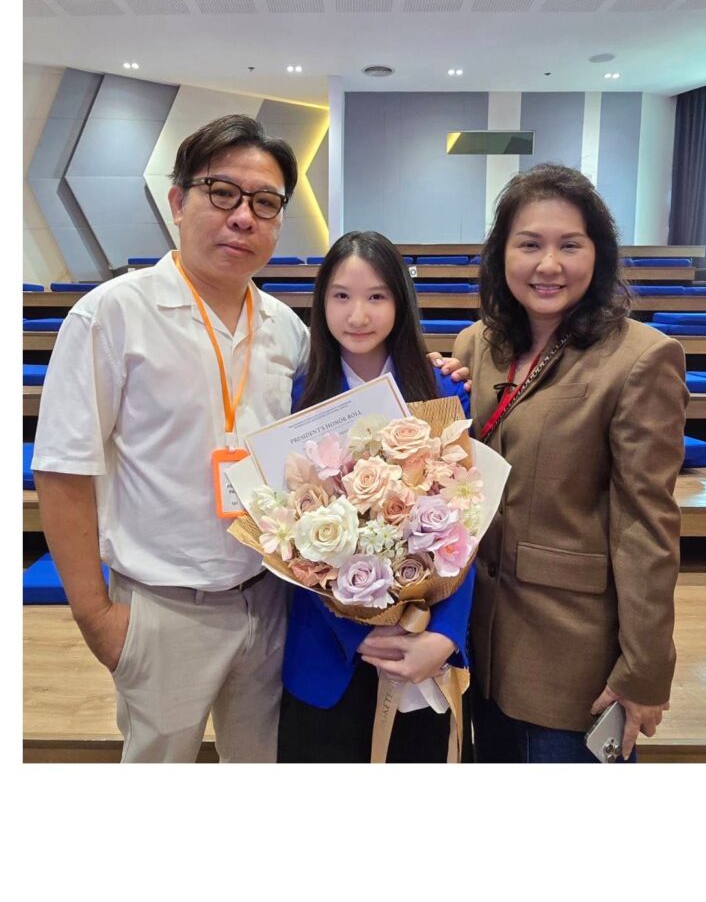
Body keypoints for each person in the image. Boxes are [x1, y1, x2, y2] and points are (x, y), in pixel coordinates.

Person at [32, 115, 466, 764]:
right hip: (162, 608)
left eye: (264, 203)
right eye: (222, 193)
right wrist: (97, 618)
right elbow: (63, 472)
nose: (243, 216)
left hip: (270, 607)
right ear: (177, 202)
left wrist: (438, 371)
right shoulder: (112, 314)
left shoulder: (287, 334)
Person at [452, 164, 688, 764]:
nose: (548, 264)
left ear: (598, 253)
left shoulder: (640, 358)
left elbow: (646, 525)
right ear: (501, 254)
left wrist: (644, 669)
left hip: (573, 656)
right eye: (529, 244)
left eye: (569, 245)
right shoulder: (477, 344)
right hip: (478, 642)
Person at [277, 231, 474, 763]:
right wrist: (356, 629)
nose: (357, 315)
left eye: (376, 297)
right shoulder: (297, 397)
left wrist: (446, 635)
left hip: (425, 646)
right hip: (326, 653)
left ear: (400, 303)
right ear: (321, 303)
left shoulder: (442, 391)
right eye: (341, 296)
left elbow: (469, 525)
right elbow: (282, 539)